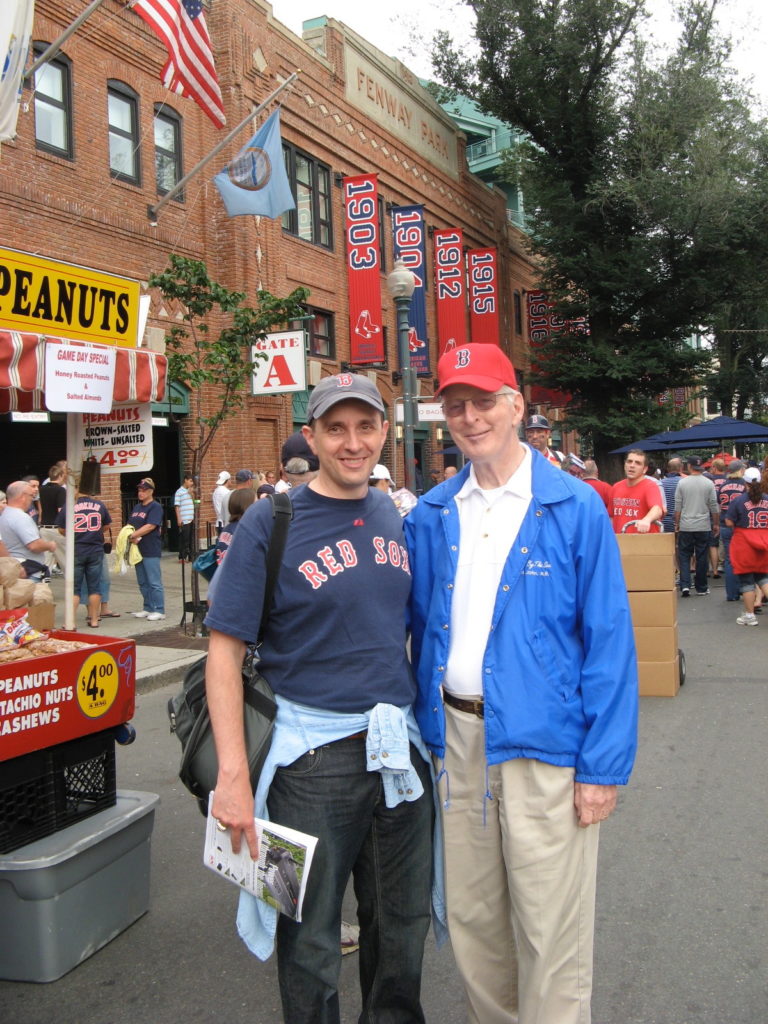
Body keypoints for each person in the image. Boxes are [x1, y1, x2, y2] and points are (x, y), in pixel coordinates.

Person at [405, 344, 637, 1024]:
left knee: (549, 930)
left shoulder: (572, 506)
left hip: (546, 746)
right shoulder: (433, 513)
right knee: (476, 925)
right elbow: (418, 629)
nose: (470, 417)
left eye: (483, 401)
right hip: (456, 742)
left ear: (516, 406)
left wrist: (603, 767)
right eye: (456, 406)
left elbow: (610, 643)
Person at [204, 373, 435, 1024]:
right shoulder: (268, 522)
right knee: (304, 937)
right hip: (305, 762)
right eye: (336, 428)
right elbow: (222, 653)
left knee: (401, 927)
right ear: (312, 436)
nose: (352, 442)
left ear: (385, 433)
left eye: (366, 427)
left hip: (398, 751)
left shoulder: (395, 514)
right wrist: (233, 778)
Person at [55, 485, 111, 628]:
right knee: (94, 587)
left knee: (75, 588)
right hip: (95, 550)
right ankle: (94, 620)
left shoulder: (69, 506)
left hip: (77, 550)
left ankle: (71, 621)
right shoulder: (99, 505)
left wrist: (72, 534)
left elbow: (61, 528)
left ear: (76, 489)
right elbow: (106, 525)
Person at [725, 466, 768, 626]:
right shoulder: (767, 499)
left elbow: (729, 521)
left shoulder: (739, 500)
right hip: (764, 541)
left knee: (747, 582)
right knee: (763, 577)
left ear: (745, 482)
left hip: (744, 543)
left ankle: (749, 615)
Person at [674, 455, 719, 597]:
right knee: (701, 556)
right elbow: (714, 505)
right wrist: (716, 523)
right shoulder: (709, 483)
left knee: (684, 555)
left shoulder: (682, 483)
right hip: (703, 525)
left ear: (689, 467)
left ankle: (685, 585)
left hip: (686, 525)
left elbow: (678, 507)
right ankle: (701, 587)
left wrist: (677, 523)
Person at [0, 480, 57, 579]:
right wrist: (50, 545)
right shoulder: (20, 517)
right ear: (23, 497)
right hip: (26, 571)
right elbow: (34, 545)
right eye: (31, 496)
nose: (32, 499)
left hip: (12, 569)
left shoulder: (5, 514)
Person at [128, 478, 165, 621]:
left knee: (154, 581)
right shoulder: (137, 507)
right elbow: (130, 524)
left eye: (144, 490)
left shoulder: (155, 507)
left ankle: (159, 609)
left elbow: (151, 525)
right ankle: (148, 607)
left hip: (150, 548)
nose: (140, 492)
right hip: (137, 549)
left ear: (151, 491)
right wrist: (129, 535)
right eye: (139, 490)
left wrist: (134, 534)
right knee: (142, 581)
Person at [609, 450, 664, 533]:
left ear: (644, 469)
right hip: (620, 541)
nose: (632, 465)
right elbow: (611, 516)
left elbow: (657, 509)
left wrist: (647, 520)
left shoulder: (650, 486)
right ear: (625, 465)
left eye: (637, 463)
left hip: (643, 542)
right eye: (629, 461)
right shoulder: (616, 487)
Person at [716, 460, 748, 602]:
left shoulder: (722, 485)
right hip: (740, 525)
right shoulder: (744, 485)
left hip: (724, 523)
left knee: (729, 560)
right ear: (740, 470)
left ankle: (731, 593)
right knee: (744, 559)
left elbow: (718, 503)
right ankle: (745, 588)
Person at [38, 463, 67, 574]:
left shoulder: (42, 489)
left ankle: (43, 586)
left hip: (44, 528)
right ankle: (72, 588)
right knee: (66, 560)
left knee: (46, 562)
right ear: (60, 476)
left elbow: (40, 506)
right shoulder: (60, 490)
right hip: (57, 529)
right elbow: (61, 510)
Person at [174, 473, 195, 561]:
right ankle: (182, 557)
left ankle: (190, 556)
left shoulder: (191, 491)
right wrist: (179, 518)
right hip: (184, 518)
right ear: (185, 480)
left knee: (191, 538)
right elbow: (177, 506)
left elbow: (195, 502)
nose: (192, 483)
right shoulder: (179, 492)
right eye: (190, 481)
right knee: (184, 538)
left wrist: (192, 494)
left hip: (191, 518)